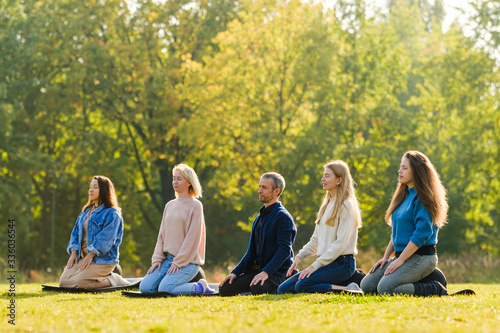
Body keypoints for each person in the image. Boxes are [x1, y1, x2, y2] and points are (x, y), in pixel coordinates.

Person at [360, 150, 449, 296]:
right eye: (400, 167)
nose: (399, 171)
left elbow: (422, 233)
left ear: (417, 171)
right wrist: (385, 258)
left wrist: (400, 260)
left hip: (422, 257)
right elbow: (396, 233)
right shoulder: (404, 196)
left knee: (385, 289)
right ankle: (420, 278)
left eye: (405, 168)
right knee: (367, 285)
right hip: (402, 256)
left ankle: (434, 288)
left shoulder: (423, 198)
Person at [277, 160, 362, 294]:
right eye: (323, 175)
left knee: (302, 286)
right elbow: (315, 239)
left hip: (342, 264)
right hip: (326, 263)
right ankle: (342, 285)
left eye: (327, 176)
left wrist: (315, 266)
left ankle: (350, 288)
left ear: (339, 180)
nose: (323, 179)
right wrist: (299, 257)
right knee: (283, 289)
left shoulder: (346, 206)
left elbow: (339, 245)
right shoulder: (327, 205)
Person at [139, 164, 213, 295]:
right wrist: (156, 259)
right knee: (145, 287)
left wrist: (179, 262)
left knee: (165, 289)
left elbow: (192, 239)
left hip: (188, 262)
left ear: (189, 182)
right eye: (174, 179)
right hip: (167, 260)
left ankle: (200, 287)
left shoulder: (196, 205)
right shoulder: (169, 205)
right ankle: (168, 283)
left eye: (179, 179)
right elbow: (161, 236)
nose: (175, 182)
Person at [219, 172, 297, 296]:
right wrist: (235, 273)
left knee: (257, 288)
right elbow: (251, 253)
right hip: (259, 272)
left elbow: (284, 251)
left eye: (264, 188)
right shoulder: (258, 219)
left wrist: (266, 272)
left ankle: (287, 286)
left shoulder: (283, 217)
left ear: (276, 191)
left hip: (278, 273)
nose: (259, 191)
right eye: (259, 186)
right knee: (225, 288)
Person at [59, 176, 129, 288]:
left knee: (81, 284)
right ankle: (98, 277)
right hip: (83, 257)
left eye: (95, 187)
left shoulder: (112, 214)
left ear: (104, 190)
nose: (91, 190)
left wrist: (91, 255)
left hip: (102, 259)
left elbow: (106, 239)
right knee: (63, 283)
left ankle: (114, 279)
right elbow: (76, 232)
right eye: (90, 187)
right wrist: (73, 253)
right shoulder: (86, 211)